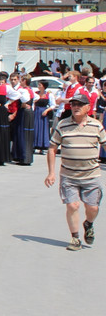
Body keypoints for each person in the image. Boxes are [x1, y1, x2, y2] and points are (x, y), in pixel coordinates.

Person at [45, 92, 105, 251]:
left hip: (91, 176)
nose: (76, 107)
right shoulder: (62, 125)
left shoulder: (96, 126)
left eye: (79, 104)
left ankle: (89, 224)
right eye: (73, 104)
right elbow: (52, 148)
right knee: (72, 206)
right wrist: (51, 173)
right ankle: (75, 238)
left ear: (88, 107)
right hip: (69, 176)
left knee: (93, 208)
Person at [11, 75, 36, 166]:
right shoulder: (30, 90)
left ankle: (24, 157)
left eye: (21, 80)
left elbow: (24, 102)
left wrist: (22, 105)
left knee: (23, 134)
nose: (20, 82)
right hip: (28, 113)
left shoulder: (24, 90)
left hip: (24, 113)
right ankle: (24, 157)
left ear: (25, 81)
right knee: (26, 134)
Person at [33, 80, 54, 154]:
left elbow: (53, 105)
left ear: (44, 86)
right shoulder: (36, 93)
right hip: (36, 111)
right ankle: (34, 145)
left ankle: (42, 147)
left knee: (43, 129)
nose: (38, 86)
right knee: (35, 128)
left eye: (40, 85)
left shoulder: (49, 94)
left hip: (43, 112)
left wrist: (47, 110)